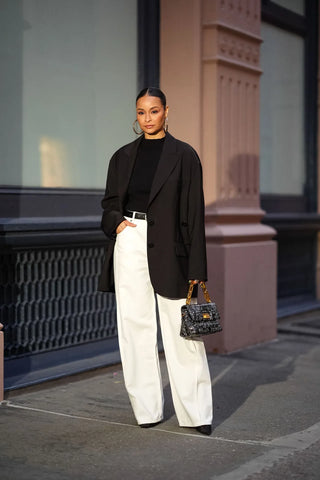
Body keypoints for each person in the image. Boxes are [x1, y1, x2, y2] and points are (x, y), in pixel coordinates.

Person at [98, 87, 213, 435]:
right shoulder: (121, 157)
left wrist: (197, 270)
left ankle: (196, 414)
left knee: (183, 333)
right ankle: (146, 409)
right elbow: (109, 202)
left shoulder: (185, 155)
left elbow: (195, 215)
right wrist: (117, 223)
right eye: (141, 112)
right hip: (130, 239)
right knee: (135, 329)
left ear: (167, 111)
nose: (147, 118)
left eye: (154, 111)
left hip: (171, 248)